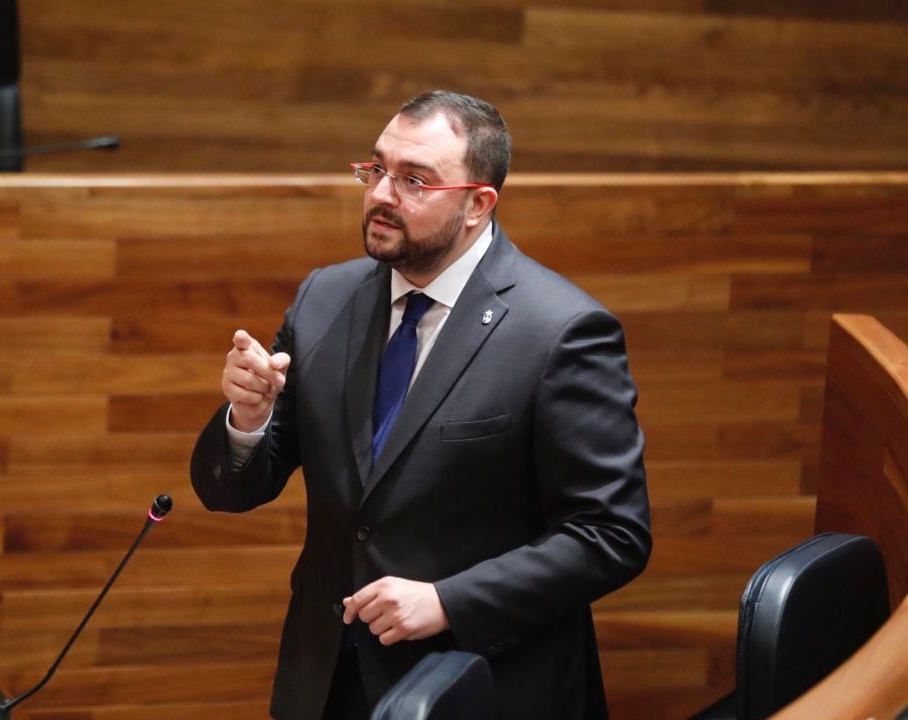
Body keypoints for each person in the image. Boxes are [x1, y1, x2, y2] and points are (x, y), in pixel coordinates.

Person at [190, 90, 652, 720]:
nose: (381, 194)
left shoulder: (560, 331)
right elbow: (237, 489)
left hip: (481, 685)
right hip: (326, 681)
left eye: (414, 181)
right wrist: (248, 420)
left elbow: (611, 534)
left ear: (477, 203)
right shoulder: (326, 299)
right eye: (376, 169)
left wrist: (449, 601)